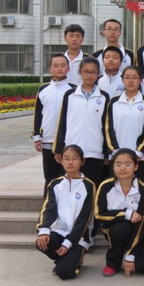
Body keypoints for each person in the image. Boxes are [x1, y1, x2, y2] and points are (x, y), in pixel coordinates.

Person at [36, 144, 95, 280]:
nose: (70, 162)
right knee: (42, 241)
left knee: (65, 273)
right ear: (61, 160)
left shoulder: (88, 185)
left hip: (78, 236)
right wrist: (44, 230)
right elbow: (48, 209)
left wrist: (69, 243)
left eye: (75, 158)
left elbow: (84, 218)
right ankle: (64, 258)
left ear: (82, 161)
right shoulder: (55, 184)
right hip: (59, 231)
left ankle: (74, 260)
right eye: (66, 158)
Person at [95, 148, 144, 277]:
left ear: (136, 166)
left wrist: (130, 256)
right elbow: (99, 215)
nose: (123, 168)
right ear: (113, 167)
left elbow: (142, 222)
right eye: (118, 164)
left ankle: (131, 254)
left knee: (143, 267)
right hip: (116, 231)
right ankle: (113, 263)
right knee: (121, 228)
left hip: (138, 231)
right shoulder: (105, 186)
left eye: (128, 164)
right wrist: (126, 214)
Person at [53, 57, 110, 189]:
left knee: (92, 187)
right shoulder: (70, 95)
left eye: (93, 72)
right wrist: (58, 148)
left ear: (98, 73)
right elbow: (62, 122)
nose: (89, 75)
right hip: (72, 150)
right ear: (80, 72)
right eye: (86, 72)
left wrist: (106, 151)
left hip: (95, 151)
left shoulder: (104, 96)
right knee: (70, 186)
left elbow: (106, 126)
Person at [32, 54, 74, 196]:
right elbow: (38, 114)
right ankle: (48, 206)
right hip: (48, 140)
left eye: (63, 65)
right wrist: (37, 137)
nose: (59, 68)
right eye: (55, 66)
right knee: (50, 177)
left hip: (67, 141)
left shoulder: (73, 89)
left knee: (67, 176)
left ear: (68, 68)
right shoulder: (43, 89)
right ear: (50, 68)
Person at [105, 66, 144, 184]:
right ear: (122, 79)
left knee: (139, 189)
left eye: (135, 78)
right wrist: (115, 152)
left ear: (140, 80)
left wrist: (139, 153)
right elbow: (108, 128)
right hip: (117, 157)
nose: (131, 81)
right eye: (127, 77)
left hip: (141, 157)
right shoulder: (114, 102)